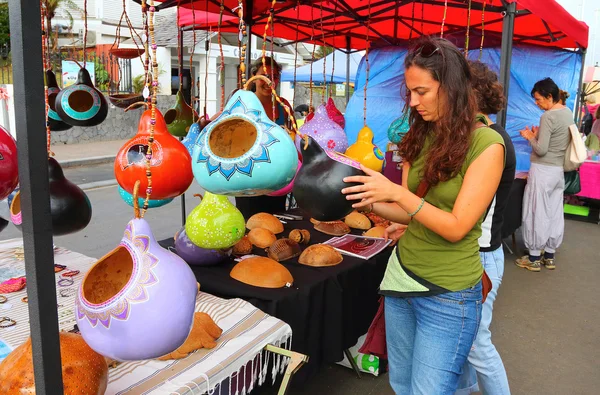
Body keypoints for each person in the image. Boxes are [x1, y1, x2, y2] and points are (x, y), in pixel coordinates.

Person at [341, 37, 505, 394]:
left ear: (452, 88)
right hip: (403, 279)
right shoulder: (423, 132)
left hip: (448, 294)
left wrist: (395, 191)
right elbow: (408, 213)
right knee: (402, 384)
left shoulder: (488, 144)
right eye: (410, 92)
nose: (413, 101)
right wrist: (365, 199)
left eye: (422, 91)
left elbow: (457, 227)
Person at [455, 61, 515, 395]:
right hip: (474, 254)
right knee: (464, 339)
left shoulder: (492, 141)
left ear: (472, 95)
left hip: (481, 258)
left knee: (477, 342)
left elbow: (465, 214)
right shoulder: (476, 136)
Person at [516, 77, 573, 271]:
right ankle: (549, 255)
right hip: (558, 172)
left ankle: (533, 258)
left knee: (536, 212)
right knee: (555, 213)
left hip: (542, 171)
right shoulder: (567, 112)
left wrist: (531, 137)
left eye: (539, 99)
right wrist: (539, 134)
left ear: (550, 96)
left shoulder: (548, 117)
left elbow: (541, 150)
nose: (537, 103)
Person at [235, 57, 296, 219]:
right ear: (254, 77)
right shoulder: (243, 104)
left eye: (275, 76)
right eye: (265, 76)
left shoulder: (283, 105)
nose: (270, 81)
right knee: (250, 223)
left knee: (277, 222)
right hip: (248, 176)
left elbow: (293, 135)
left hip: (277, 178)